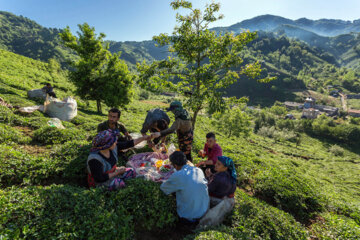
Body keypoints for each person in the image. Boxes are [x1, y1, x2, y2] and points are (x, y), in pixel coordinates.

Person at [87, 129, 151, 190]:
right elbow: (99, 178)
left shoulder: (112, 147)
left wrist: (144, 138)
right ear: (107, 145)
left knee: (131, 171)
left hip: (113, 173)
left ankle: (123, 181)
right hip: (101, 182)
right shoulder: (94, 159)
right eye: (114, 141)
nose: (116, 142)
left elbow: (128, 144)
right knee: (119, 183)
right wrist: (117, 172)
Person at [160, 151, 209, 227]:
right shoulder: (198, 170)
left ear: (175, 166)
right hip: (204, 212)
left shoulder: (178, 175)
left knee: (176, 190)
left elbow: (163, 188)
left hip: (188, 217)